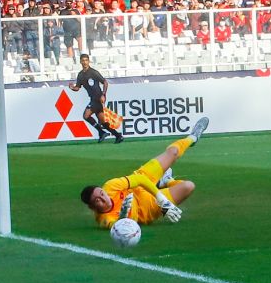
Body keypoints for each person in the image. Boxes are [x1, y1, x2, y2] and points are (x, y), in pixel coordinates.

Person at [80, 117, 210, 228]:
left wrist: (162, 200)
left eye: (102, 194)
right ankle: (168, 181)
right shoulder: (104, 219)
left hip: (140, 184)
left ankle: (192, 138)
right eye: (98, 200)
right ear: (93, 208)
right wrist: (123, 217)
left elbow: (140, 179)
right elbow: (116, 226)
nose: (104, 198)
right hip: (147, 207)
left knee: (173, 153)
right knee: (188, 186)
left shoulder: (111, 186)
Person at [68, 53, 124, 144]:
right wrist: (72, 87)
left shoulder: (93, 72)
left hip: (97, 98)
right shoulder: (80, 75)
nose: (85, 62)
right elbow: (78, 88)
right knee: (103, 123)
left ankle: (101, 132)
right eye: (83, 60)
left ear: (89, 61)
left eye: (86, 60)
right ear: (80, 62)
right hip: (92, 99)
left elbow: (105, 82)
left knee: (86, 115)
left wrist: (104, 94)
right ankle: (118, 136)